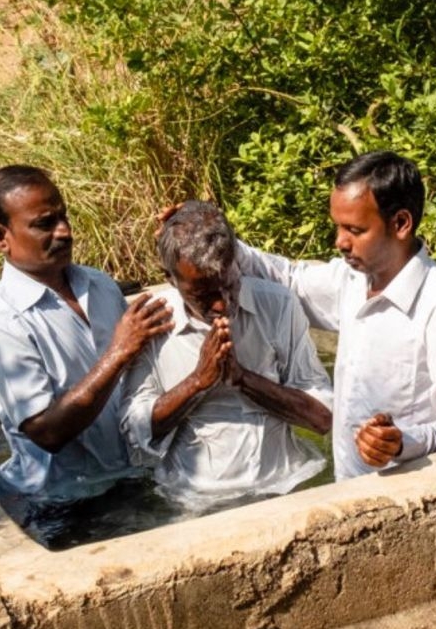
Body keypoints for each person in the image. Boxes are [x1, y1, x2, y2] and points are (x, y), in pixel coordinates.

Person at [232, 151, 436, 479]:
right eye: (338, 227)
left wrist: (402, 443)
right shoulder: (351, 281)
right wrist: (221, 239)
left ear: (400, 224)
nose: (340, 241)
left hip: (409, 503)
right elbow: (288, 278)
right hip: (349, 491)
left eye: (354, 229)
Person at [0, 165, 173, 503]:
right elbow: (48, 432)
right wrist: (119, 351)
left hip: (135, 476)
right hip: (65, 501)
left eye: (64, 217)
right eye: (45, 224)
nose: (64, 232)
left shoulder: (99, 285)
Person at [121, 201, 333, 505]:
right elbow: (133, 433)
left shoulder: (278, 305)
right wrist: (196, 382)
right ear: (169, 278)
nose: (222, 304)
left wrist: (244, 380)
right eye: (204, 295)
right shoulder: (153, 324)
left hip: (287, 484)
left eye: (231, 286)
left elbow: (324, 417)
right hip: (194, 497)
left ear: (236, 262)